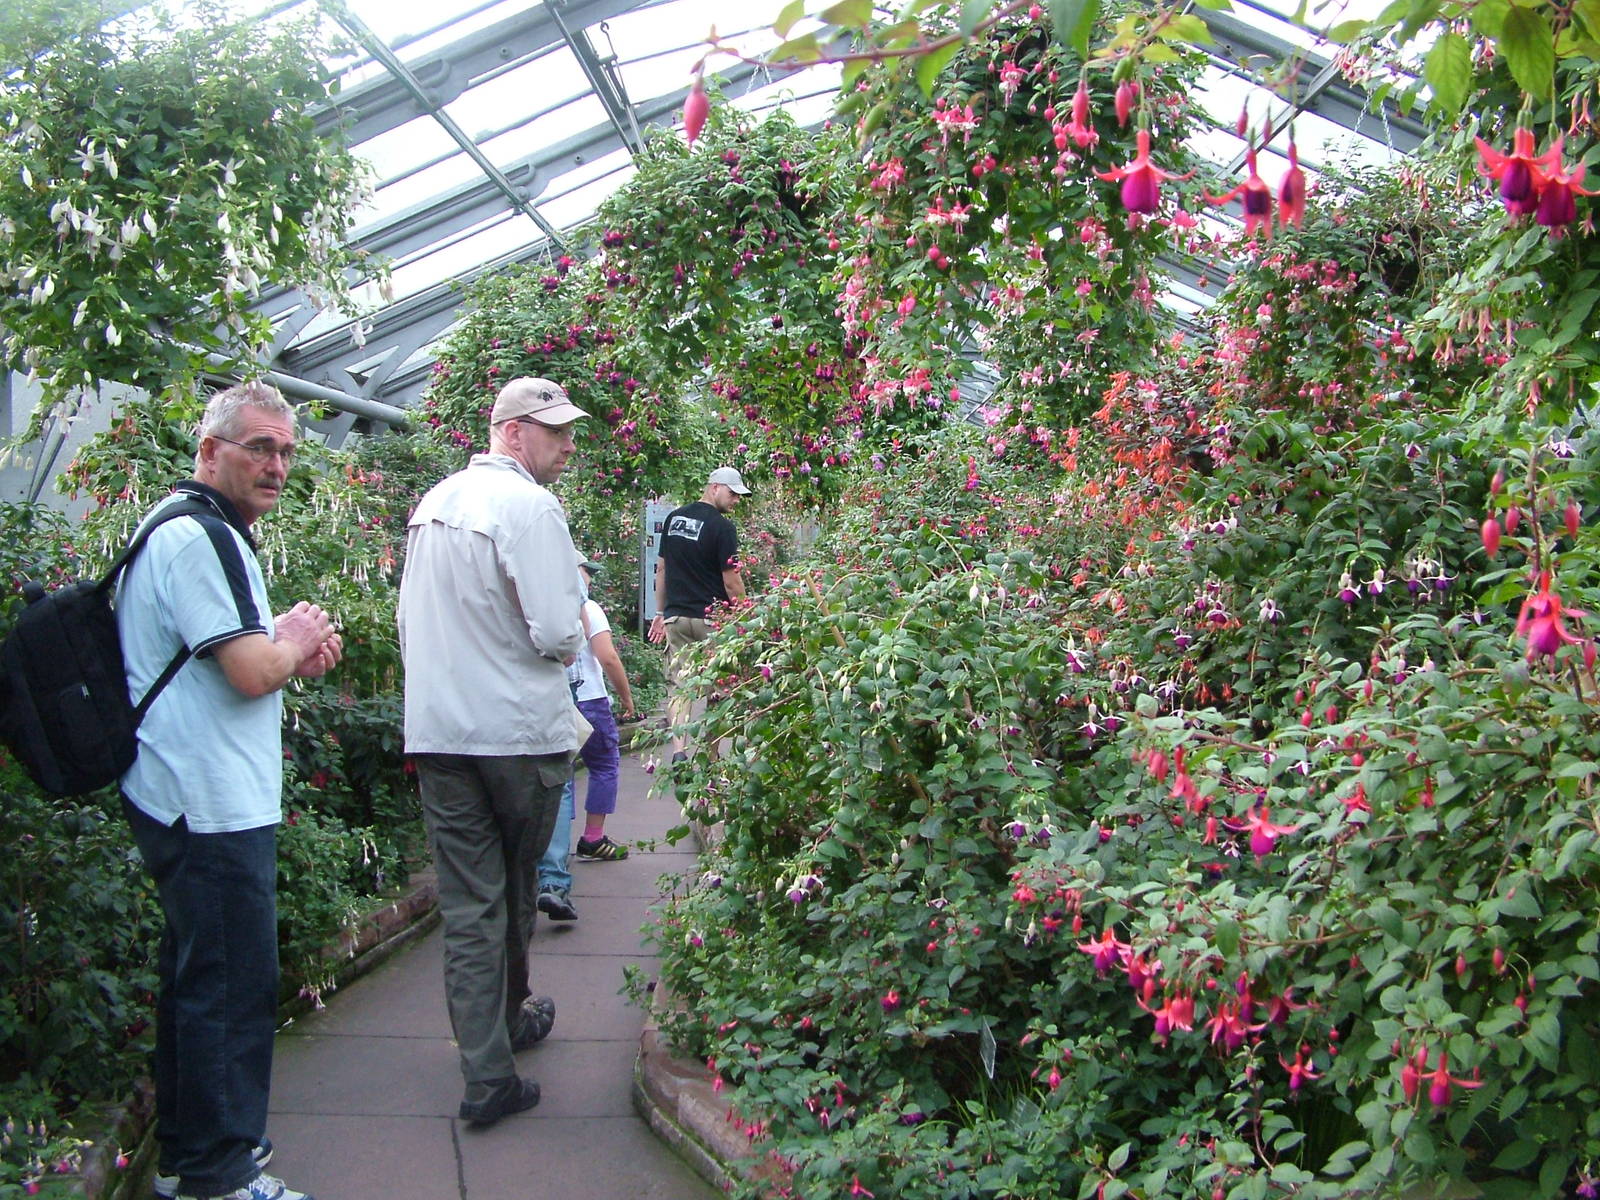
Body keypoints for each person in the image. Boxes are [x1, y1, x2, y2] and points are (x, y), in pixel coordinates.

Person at [118, 382, 342, 1200]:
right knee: (228, 991)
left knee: (201, 983)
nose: (275, 464)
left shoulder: (202, 532)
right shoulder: (197, 537)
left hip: (196, 796)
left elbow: (240, 658)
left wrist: (287, 649)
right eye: (259, 447)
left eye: (285, 451)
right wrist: (294, 639)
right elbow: (251, 670)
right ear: (210, 452)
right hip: (204, 802)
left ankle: (193, 1159)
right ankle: (218, 1174)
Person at [396, 376, 589, 1128]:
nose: (568, 445)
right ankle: (506, 1030)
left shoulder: (433, 505)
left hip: (440, 734)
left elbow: (409, 626)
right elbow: (558, 633)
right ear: (511, 432)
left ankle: (487, 1070)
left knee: (470, 901)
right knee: (512, 886)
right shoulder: (531, 508)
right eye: (555, 431)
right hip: (516, 734)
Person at [536, 551, 638, 922]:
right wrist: (627, 699)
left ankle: (548, 868)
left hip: (550, 700)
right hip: (590, 699)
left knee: (559, 779)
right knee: (604, 764)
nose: (589, 578)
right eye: (585, 571)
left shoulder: (538, 602)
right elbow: (607, 656)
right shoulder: (588, 608)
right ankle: (592, 837)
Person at [647, 466, 750, 762]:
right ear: (715, 487)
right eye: (732, 494)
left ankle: (679, 751)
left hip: (677, 618)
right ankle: (710, 753)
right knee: (718, 688)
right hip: (712, 620)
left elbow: (662, 569)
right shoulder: (722, 528)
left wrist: (660, 612)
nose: (736, 501)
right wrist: (746, 618)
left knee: (680, 685)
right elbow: (731, 581)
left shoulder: (673, 519)